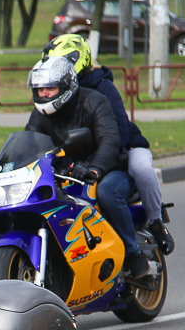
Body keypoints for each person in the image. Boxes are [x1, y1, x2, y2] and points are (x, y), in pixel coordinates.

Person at [42, 34, 175, 254]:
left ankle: (155, 221)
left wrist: (96, 161)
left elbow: (118, 132)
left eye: (63, 63)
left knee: (141, 169)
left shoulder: (103, 87)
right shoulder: (56, 90)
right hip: (85, 155)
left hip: (125, 148)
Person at [24, 55, 150, 278]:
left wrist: (94, 169)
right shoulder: (40, 114)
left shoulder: (94, 101)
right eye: (39, 89)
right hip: (69, 173)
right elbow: (30, 144)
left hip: (110, 170)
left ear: (67, 86)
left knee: (107, 192)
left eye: (50, 88)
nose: (44, 94)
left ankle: (134, 253)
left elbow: (110, 140)